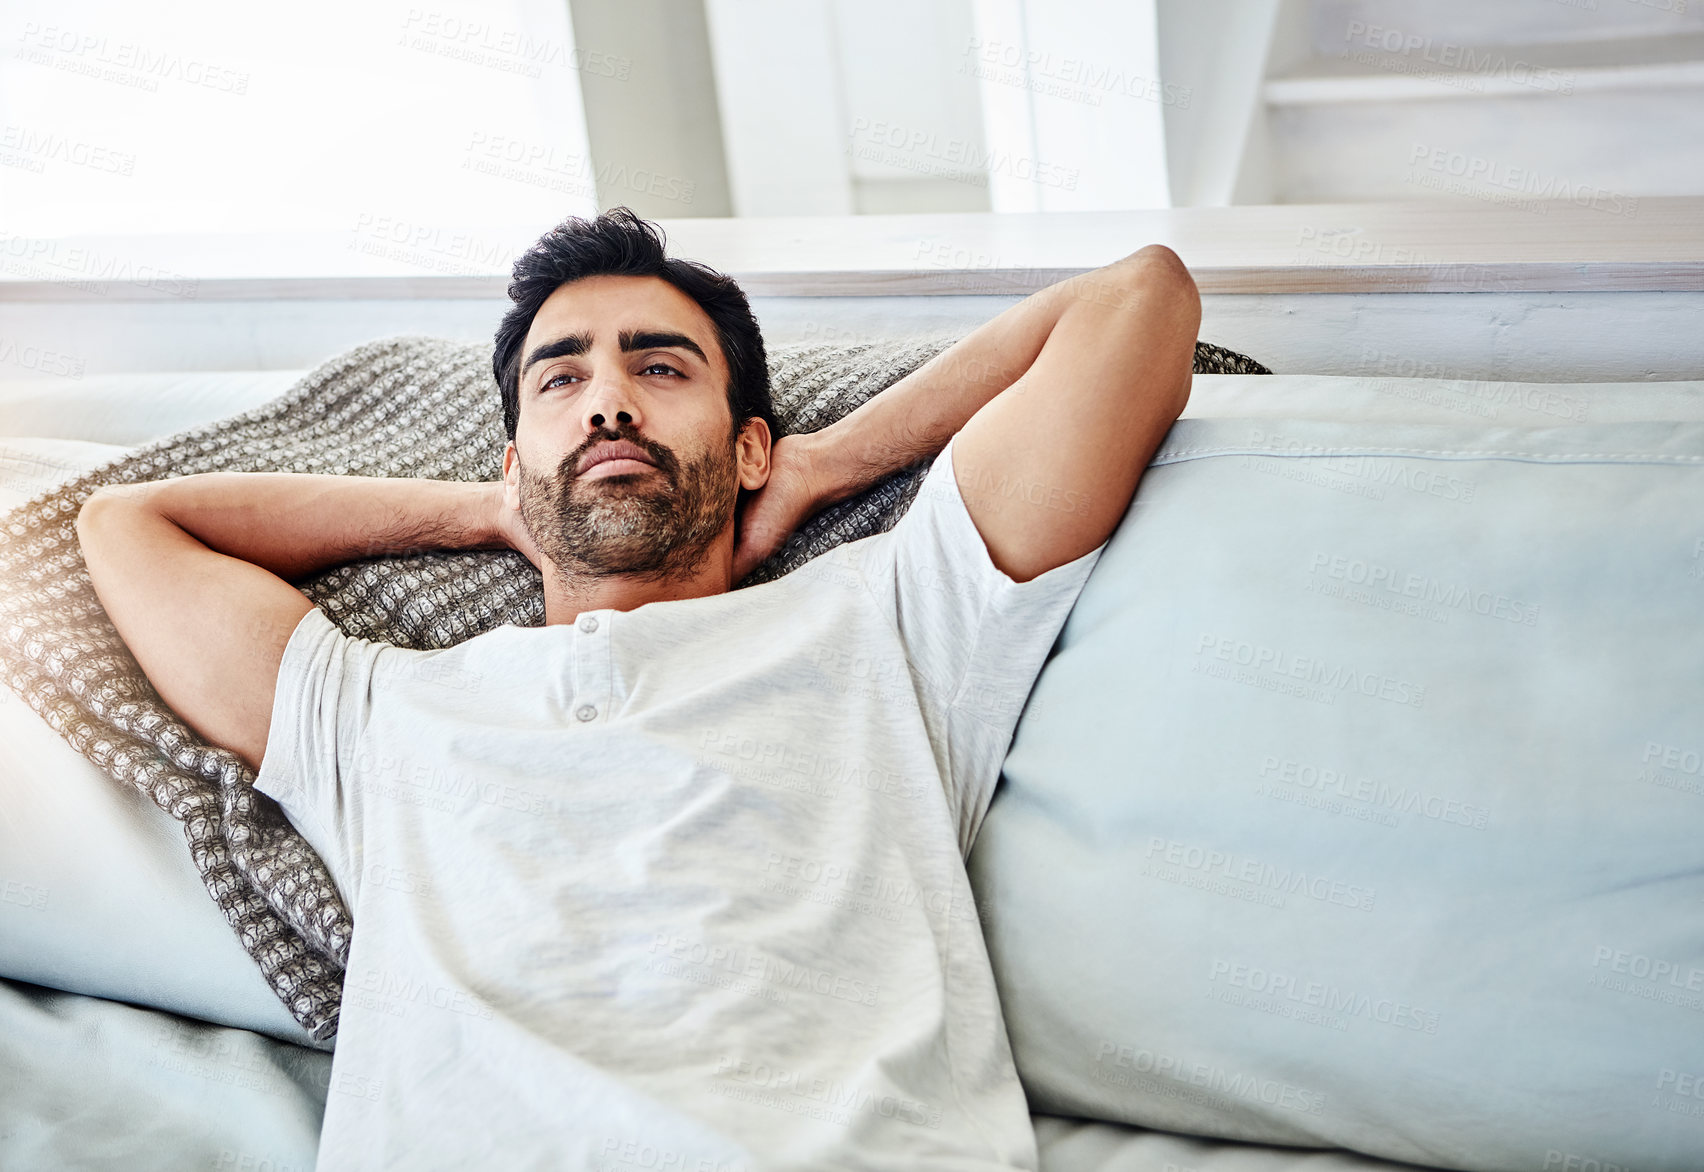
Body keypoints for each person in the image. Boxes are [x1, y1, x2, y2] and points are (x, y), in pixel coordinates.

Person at [76, 207, 1201, 1170]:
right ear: (515, 462)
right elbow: (129, 524)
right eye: (561, 379)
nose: (608, 403)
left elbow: (1137, 301)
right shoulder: (385, 712)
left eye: (661, 368)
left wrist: (831, 460)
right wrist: (476, 510)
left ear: (750, 444)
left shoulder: (888, 617)